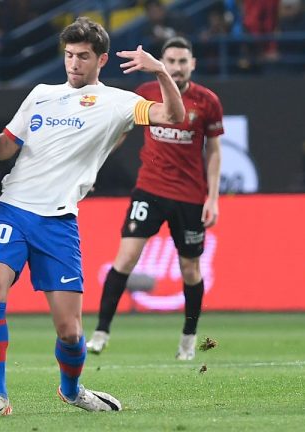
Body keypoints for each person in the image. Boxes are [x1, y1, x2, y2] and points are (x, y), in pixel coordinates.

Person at [0, 17, 185, 417]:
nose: (74, 63)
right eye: (69, 55)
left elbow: (173, 116)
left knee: (70, 331)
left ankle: (71, 389)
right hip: (13, 208)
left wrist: (160, 72)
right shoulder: (40, 94)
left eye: (83, 57)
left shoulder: (118, 102)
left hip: (59, 222)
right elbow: (4, 150)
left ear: (101, 59)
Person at [87, 37, 224, 361]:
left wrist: (213, 198)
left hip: (190, 196)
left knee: (190, 269)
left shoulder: (207, 101)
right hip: (149, 189)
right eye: (171, 61)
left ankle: (188, 340)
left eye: (182, 61)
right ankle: (100, 332)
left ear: (192, 64)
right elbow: (120, 132)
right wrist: (92, 166)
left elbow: (214, 151)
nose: (176, 67)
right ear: (161, 62)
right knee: (125, 259)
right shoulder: (146, 93)